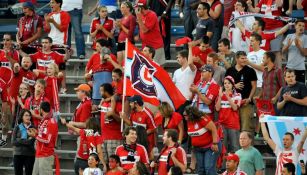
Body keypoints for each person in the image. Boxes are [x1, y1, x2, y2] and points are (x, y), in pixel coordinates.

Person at [225, 51, 257, 132]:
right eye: (242, 58)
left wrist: (249, 98)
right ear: (236, 59)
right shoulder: (229, 70)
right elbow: (225, 85)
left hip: (246, 103)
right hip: (233, 104)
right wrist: (234, 86)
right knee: (234, 129)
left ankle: (248, 145)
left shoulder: (250, 71)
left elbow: (254, 86)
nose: (245, 60)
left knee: (246, 129)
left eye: (246, 58)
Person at [184, 106, 220, 175]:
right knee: (200, 170)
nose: (184, 116)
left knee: (208, 168)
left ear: (191, 114)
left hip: (210, 147)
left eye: (185, 115)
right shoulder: (189, 121)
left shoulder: (202, 119)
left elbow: (214, 129)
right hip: (198, 149)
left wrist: (215, 143)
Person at [120, 95, 156, 160]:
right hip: (136, 141)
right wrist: (124, 118)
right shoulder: (133, 112)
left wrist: (141, 134)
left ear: (136, 103)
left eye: (131, 102)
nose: (130, 104)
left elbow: (153, 129)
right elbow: (131, 124)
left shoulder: (147, 114)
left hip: (147, 142)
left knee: (147, 159)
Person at [28, 101, 58, 175]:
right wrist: (36, 133)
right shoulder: (45, 120)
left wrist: (34, 136)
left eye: (39, 108)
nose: (38, 109)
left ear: (41, 110)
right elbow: (43, 136)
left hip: (46, 155)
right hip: (39, 154)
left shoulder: (51, 122)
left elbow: (48, 140)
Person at [0, 33, 20, 147]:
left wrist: (9, 57)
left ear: (12, 41)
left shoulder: (14, 53)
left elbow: (17, 67)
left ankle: (3, 137)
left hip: (9, 86)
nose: (6, 42)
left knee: (6, 113)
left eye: (8, 40)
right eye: (4, 40)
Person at [85, 39, 119, 104]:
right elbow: (87, 69)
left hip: (108, 92)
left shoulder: (112, 57)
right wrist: (88, 78)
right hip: (96, 92)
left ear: (104, 47)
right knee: (96, 110)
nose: (95, 48)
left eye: (97, 46)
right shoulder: (94, 56)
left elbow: (118, 71)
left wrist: (110, 60)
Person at [135, 0, 166, 65]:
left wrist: (139, 18)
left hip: (155, 47)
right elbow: (141, 28)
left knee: (157, 68)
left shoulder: (152, 15)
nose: (136, 10)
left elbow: (145, 30)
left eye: (137, 8)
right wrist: (138, 35)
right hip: (146, 47)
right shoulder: (141, 15)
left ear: (141, 8)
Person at [216, 76, 241, 153]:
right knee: (223, 148)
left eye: (229, 83)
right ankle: (223, 165)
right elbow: (217, 108)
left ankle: (236, 165)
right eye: (225, 83)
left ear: (233, 84)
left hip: (233, 125)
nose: (226, 85)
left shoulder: (237, 95)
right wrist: (220, 97)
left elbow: (235, 108)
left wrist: (227, 95)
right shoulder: (220, 95)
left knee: (235, 147)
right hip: (222, 125)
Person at [100, 83, 122, 162]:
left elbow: (121, 120)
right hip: (104, 137)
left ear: (106, 92)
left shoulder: (117, 103)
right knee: (105, 163)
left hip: (114, 138)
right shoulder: (103, 101)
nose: (100, 93)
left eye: (101, 91)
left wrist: (113, 114)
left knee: (113, 163)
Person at [282, 19, 307, 83]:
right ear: (295, 26)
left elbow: (305, 54)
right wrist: (288, 45)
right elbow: (282, 51)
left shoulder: (305, 38)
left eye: (303, 26)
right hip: (289, 68)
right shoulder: (289, 36)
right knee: (288, 90)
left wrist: (298, 46)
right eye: (299, 25)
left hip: (300, 68)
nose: (301, 27)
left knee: (301, 90)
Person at [11, 109, 35, 175]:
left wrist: (19, 139)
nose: (28, 117)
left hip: (29, 155)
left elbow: (31, 142)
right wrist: (26, 140)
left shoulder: (33, 128)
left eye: (29, 115)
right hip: (17, 154)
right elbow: (13, 142)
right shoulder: (17, 127)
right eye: (26, 115)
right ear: (22, 117)